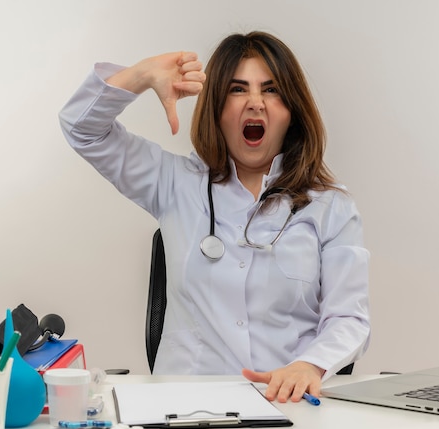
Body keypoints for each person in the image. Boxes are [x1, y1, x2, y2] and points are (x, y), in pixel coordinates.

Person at [59, 31, 370, 403]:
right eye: (238, 89)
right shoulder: (173, 183)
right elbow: (81, 127)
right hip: (184, 409)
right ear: (217, 108)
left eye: (271, 90)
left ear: (292, 112)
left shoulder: (331, 207)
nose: (255, 103)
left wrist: (310, 366)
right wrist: (141, 75)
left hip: (286, 407)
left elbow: (348, 318)